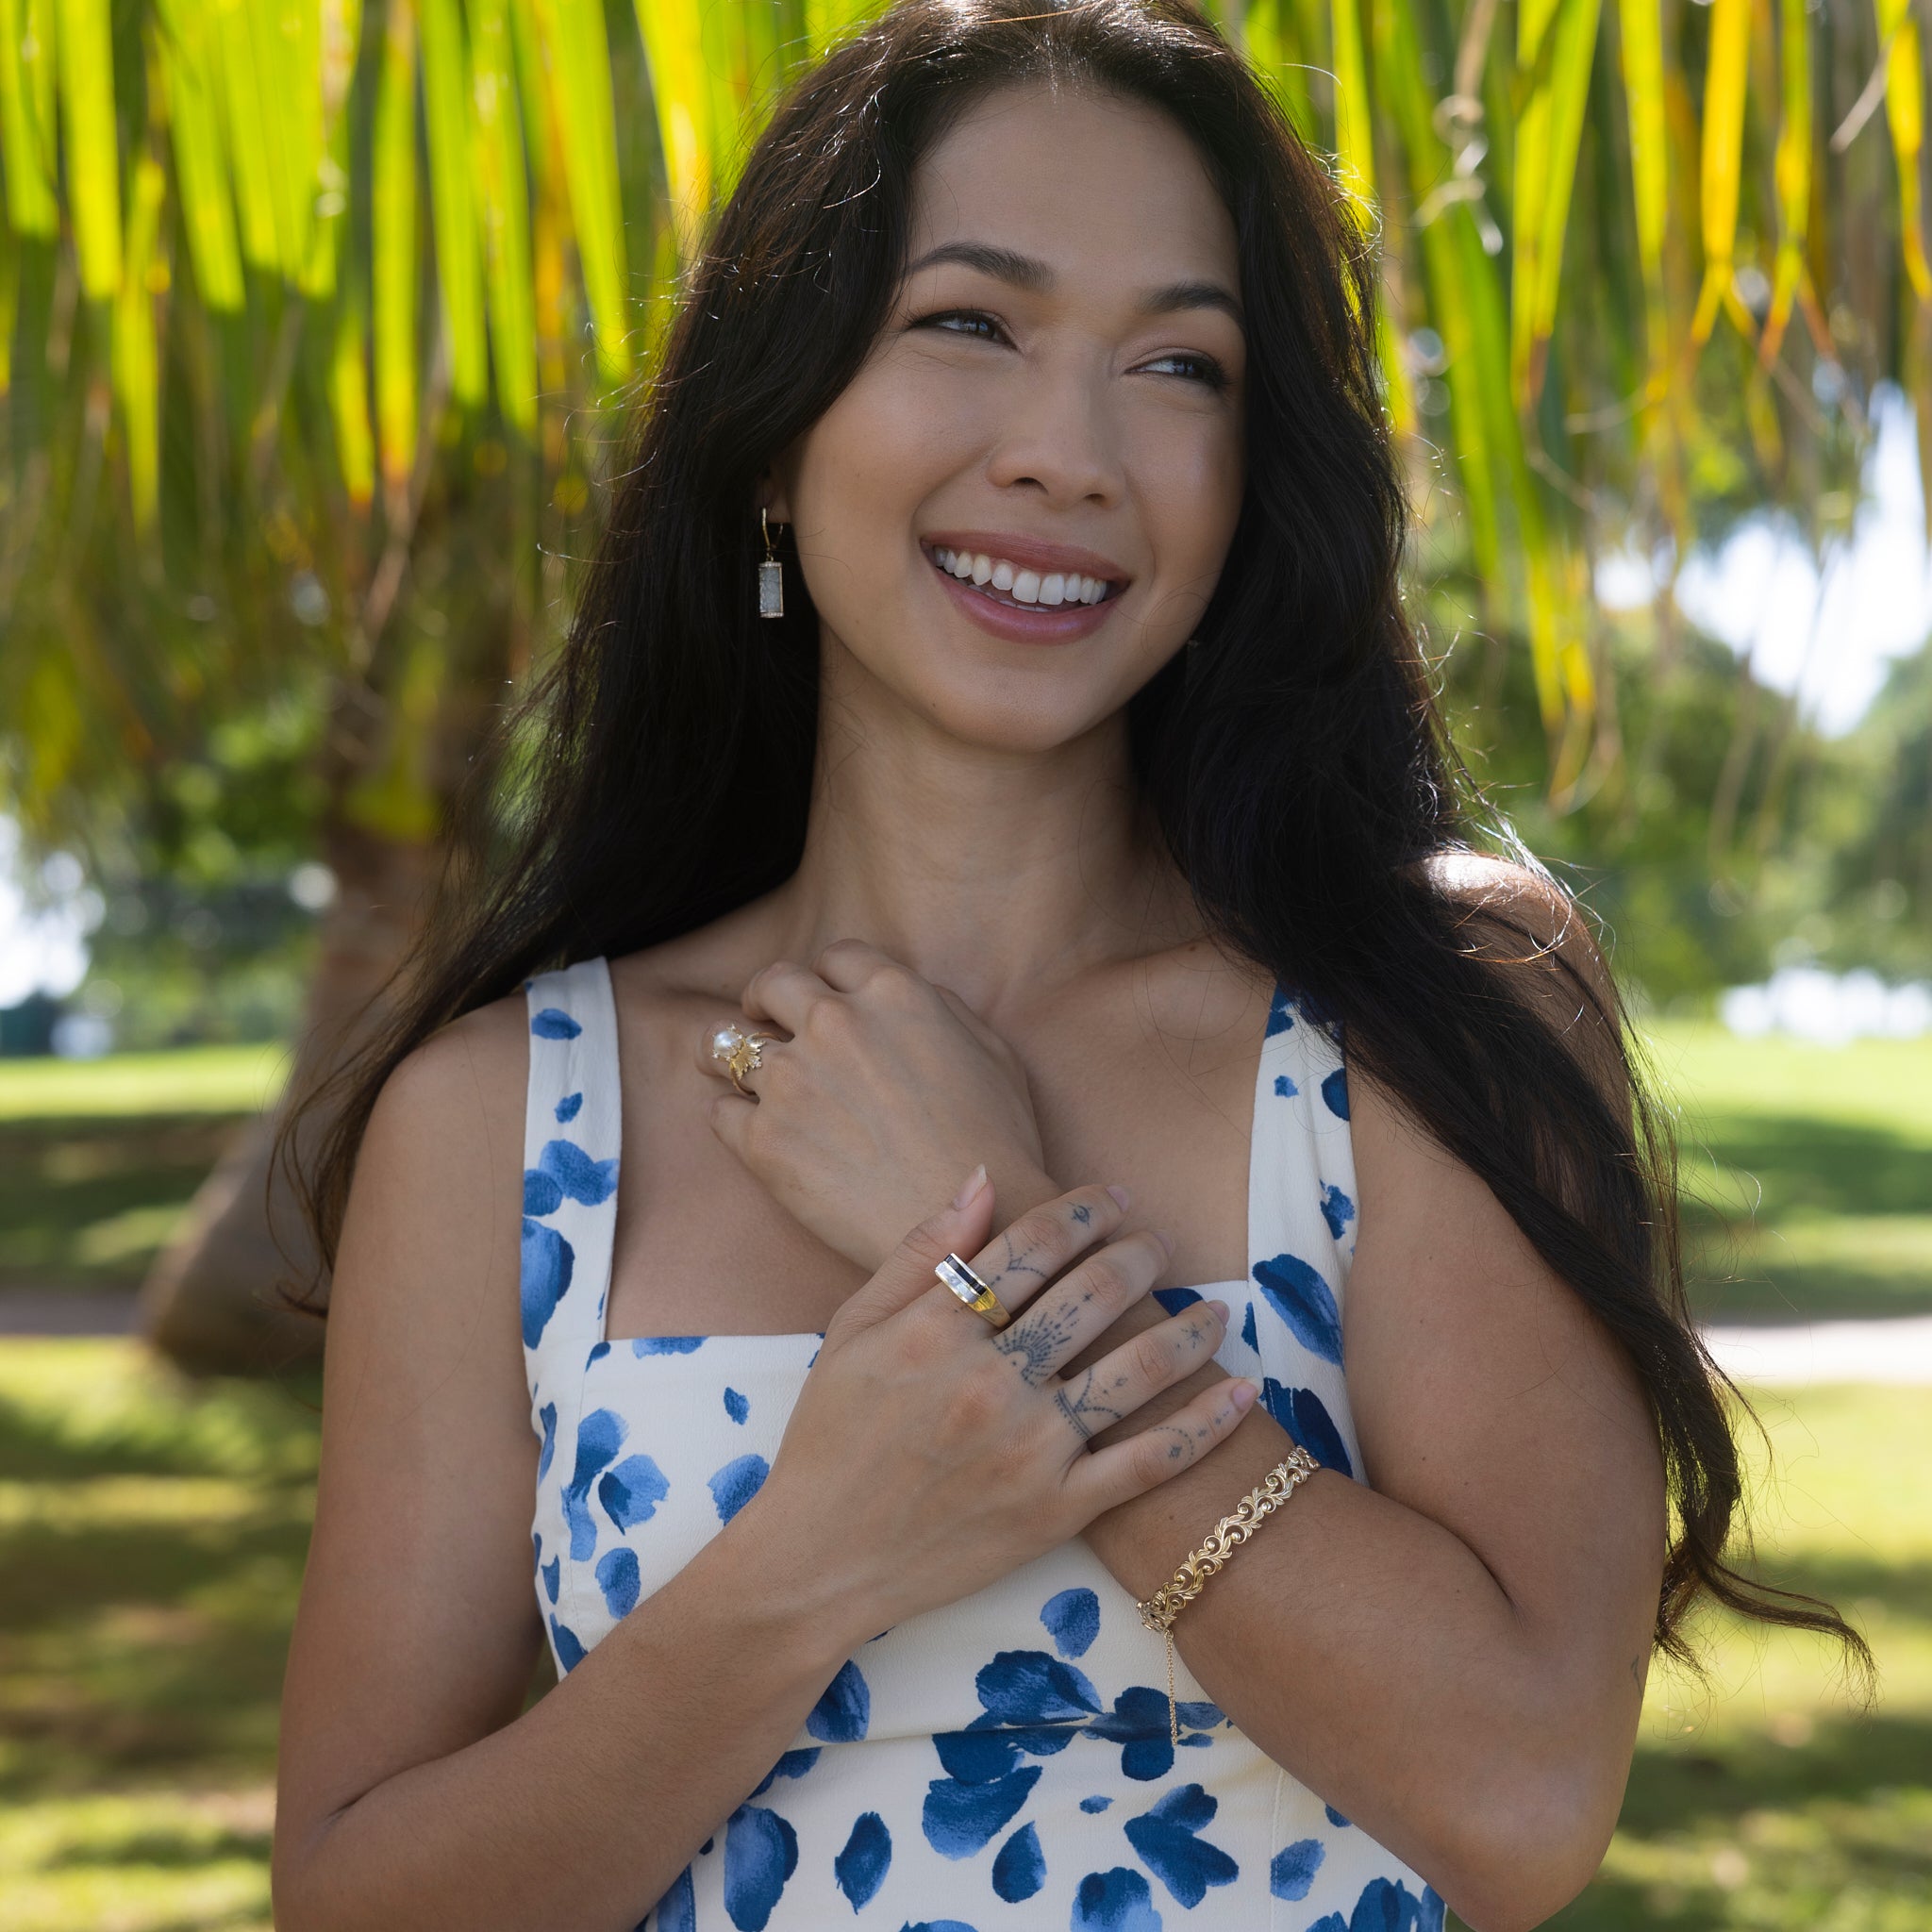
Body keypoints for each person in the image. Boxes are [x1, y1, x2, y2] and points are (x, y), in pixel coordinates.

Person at [269, 4, 1864, 1928]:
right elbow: (356, 1896)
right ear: (774, 444)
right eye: (967, 322)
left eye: (1177, 363)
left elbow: (1519, 1800)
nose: (1068, 452)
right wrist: (832, 1544)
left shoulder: (1423, 1020)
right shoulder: (512, 1113)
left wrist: (1006, 1259)